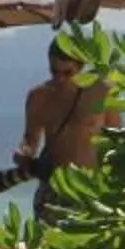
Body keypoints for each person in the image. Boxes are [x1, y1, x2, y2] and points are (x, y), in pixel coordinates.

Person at [12, 40, 116, 220]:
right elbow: (30, 138)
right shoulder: (39, 97)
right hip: (54, 188)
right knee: (48, 246)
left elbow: (118, 137)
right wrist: (23, 152)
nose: (60, 78)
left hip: (91, 189)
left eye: (68, 73)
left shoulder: (102, 92)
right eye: (54, 71)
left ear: (81, 67)